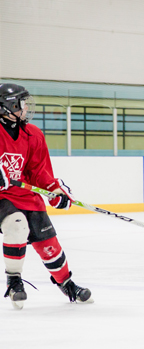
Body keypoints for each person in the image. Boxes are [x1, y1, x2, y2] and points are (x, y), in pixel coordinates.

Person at [0, 83, 92, 309]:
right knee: (16, 224)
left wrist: (56, 191)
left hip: (26, 195)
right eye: (21, 104)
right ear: (7, 106)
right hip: (3, 198)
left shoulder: (33, 134)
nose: (26, 108)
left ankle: (66, 283)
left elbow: (40, 172)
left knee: (48, 244)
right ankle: (14, 281)